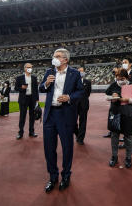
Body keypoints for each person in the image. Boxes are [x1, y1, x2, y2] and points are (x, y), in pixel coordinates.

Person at [39, 49, 84, 193]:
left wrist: (69, 97)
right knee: (49, 148)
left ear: (65, 59)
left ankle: (66, 176)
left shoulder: (75, 73)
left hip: (65, 114)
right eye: (54, 56)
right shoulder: (49, 72)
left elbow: (81, 92)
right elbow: (41, 88)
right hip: (50, 114)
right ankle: (53, 177)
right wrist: (46, 83)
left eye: (57, 56)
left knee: (67, 147)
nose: (54, 58)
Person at [106, 68, 132, 168]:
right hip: (115, 113)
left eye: (122, 78)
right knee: (114, 136)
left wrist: (128, 99)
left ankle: (128, 157)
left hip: (128, 114)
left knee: (128, 137)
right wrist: (112, 97)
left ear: (127, 77)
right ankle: (114, 156)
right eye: (118, 78)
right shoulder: (113, 85)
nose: (120, 80)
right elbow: (106, 96)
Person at [15, 63, 39, 139]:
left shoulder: (34, 78)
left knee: (32, 116)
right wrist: (22, 88)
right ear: (25, 68)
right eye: (28, 67)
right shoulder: (19, 78)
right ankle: (20, 132)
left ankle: (31, 132)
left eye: (31, 67)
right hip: (23, 99)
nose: (30, 68)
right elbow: (16, 88)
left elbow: (36, 89)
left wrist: (37, 100)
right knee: (22, 116)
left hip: (32, 99)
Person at [75, 66, 92, 145]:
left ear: (84, 72)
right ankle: (77, 134)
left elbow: (88, 93)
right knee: (72, 122)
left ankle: (81, 138)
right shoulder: (73, 81)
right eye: (79, 71)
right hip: (74, 104)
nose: (80, 72)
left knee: (83, 121)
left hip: (84, 104)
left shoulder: (88, 82)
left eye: (82, 71)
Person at [103, 67, 119, 138]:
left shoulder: (123, 80)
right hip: (113, 103)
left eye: (115, 71)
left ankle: (124, 136)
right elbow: (107, 91)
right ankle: (111, 132)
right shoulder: (114, 81)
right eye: (113, 72)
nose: (114, 73)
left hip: (121, 104)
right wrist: (112, 94)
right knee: (112, 118)